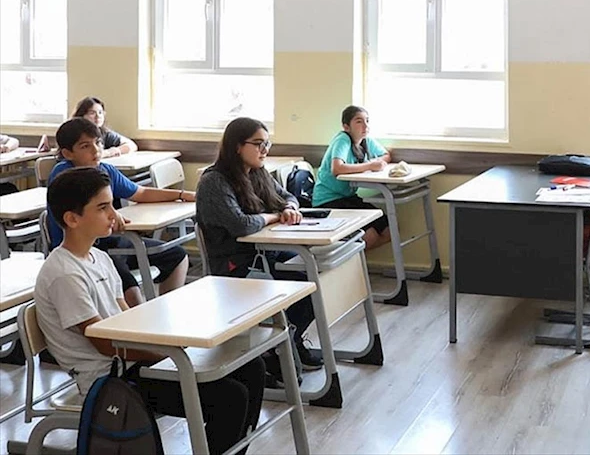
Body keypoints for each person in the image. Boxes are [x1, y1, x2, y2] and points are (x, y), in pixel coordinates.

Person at [35, 166, 264, 455]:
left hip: (129, 364)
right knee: (230, 397)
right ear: (72, 219)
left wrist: (169, 342)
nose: (114, 214)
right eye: (103, 208)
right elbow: (104, 344)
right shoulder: (64, 274)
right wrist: (166, 354)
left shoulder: (99, 257)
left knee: (252, 368)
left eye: (112, 205)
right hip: (109, 380)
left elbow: (126, 319)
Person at [195, 117, 323, 374]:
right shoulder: (214, 181)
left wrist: (289, 207)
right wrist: (274, 216)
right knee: (302, 284)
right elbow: (241, 224)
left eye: (267, 143)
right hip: (235, 265)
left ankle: (288, 342)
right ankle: (279, 349)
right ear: (237, 146)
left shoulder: (257, 172)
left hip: (263, 253)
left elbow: (287, 196)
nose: (265, 150)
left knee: (312, 279)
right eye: (258, 144)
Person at [46, 118, 191, 307]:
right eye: (85, 146)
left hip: (108, 239)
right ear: (67, 153)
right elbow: (80, 213)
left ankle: (163, 312)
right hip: (83, 247)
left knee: (177, 255)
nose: (96, 150)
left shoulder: (105, 169)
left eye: (98, 142)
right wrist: (111, 212)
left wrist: (181, 195)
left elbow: (140, 193)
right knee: (131, 293)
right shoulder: (64, 176)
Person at [312, 105, 392, 250]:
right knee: (370, 237)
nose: (365, 126)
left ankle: (354, 257)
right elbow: (337, 168)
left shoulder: (366, 141)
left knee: (389, 230)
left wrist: (376, 163)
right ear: (346, 126)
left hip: (348, 198)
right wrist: (369, 166)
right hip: (329, 201)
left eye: (367, 121)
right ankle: (350, 259)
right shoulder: (343, 139)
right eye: (359, 121)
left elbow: (386, 155)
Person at [72, 96, 138, 158]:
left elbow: (132, 145)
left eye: (100, 112)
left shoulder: (104, 133)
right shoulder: (73, 133)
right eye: (92, 113)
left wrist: (110, 152)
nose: (98, 116)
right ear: (81, 116)